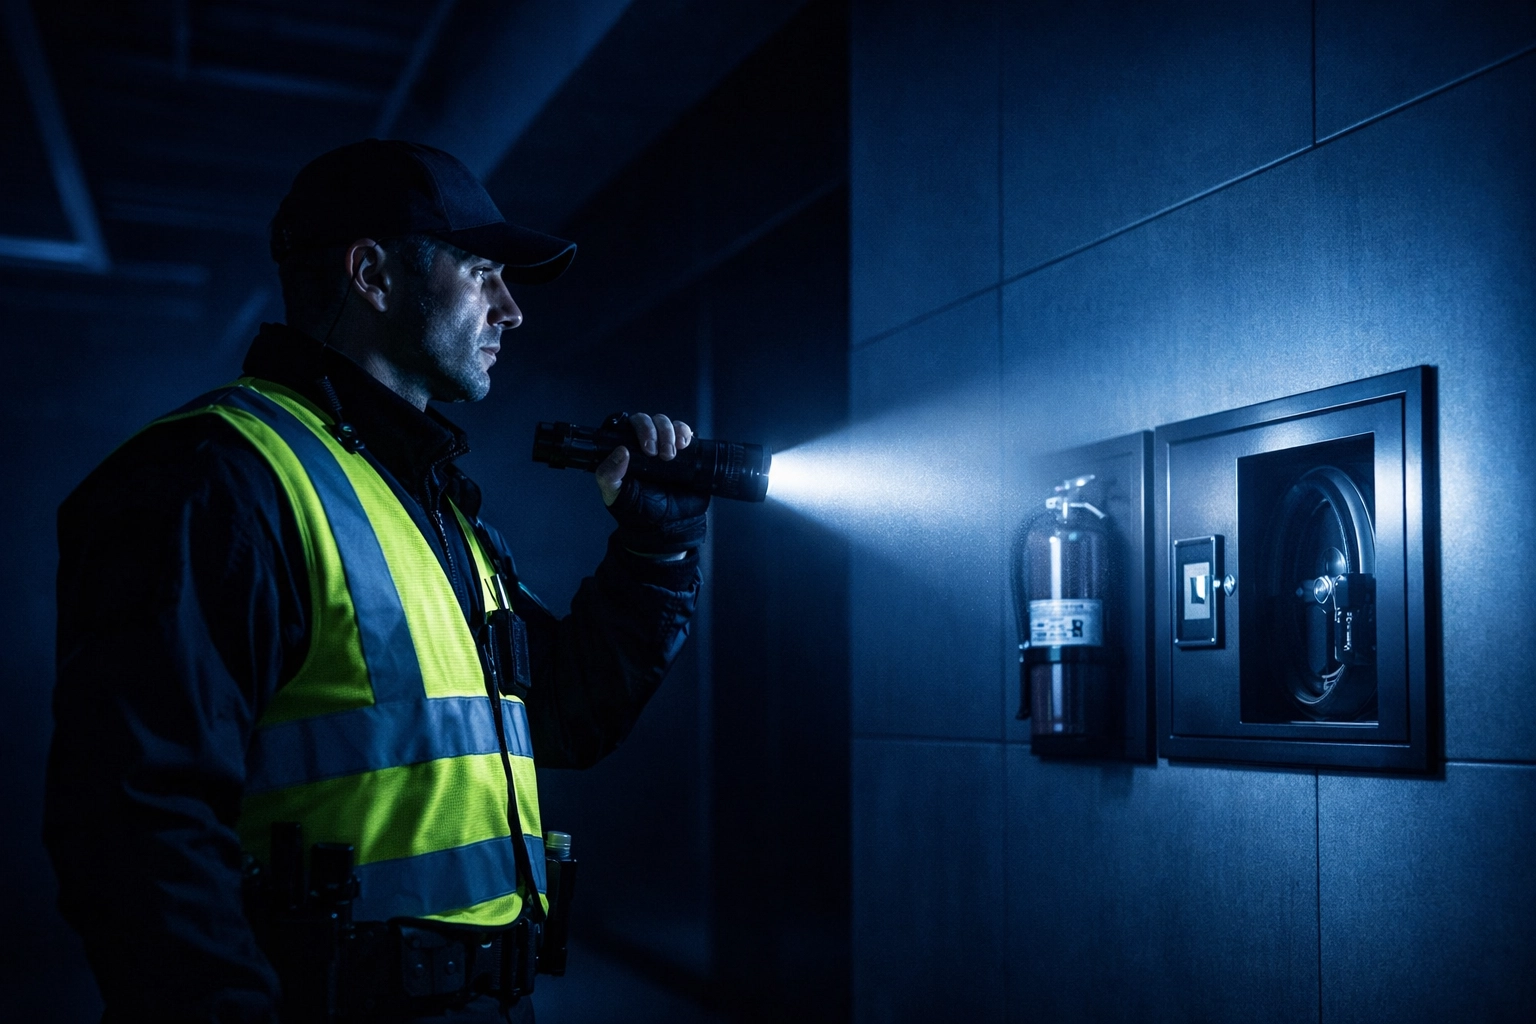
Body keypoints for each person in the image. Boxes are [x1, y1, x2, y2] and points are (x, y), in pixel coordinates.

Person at [44, 139, 707, 1023]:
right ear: (373, 275)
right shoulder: (216, 481)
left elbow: (566, 716)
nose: (512, 309)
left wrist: (652, 557)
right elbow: (135, 827)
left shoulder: (427, 501)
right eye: (481, 272)